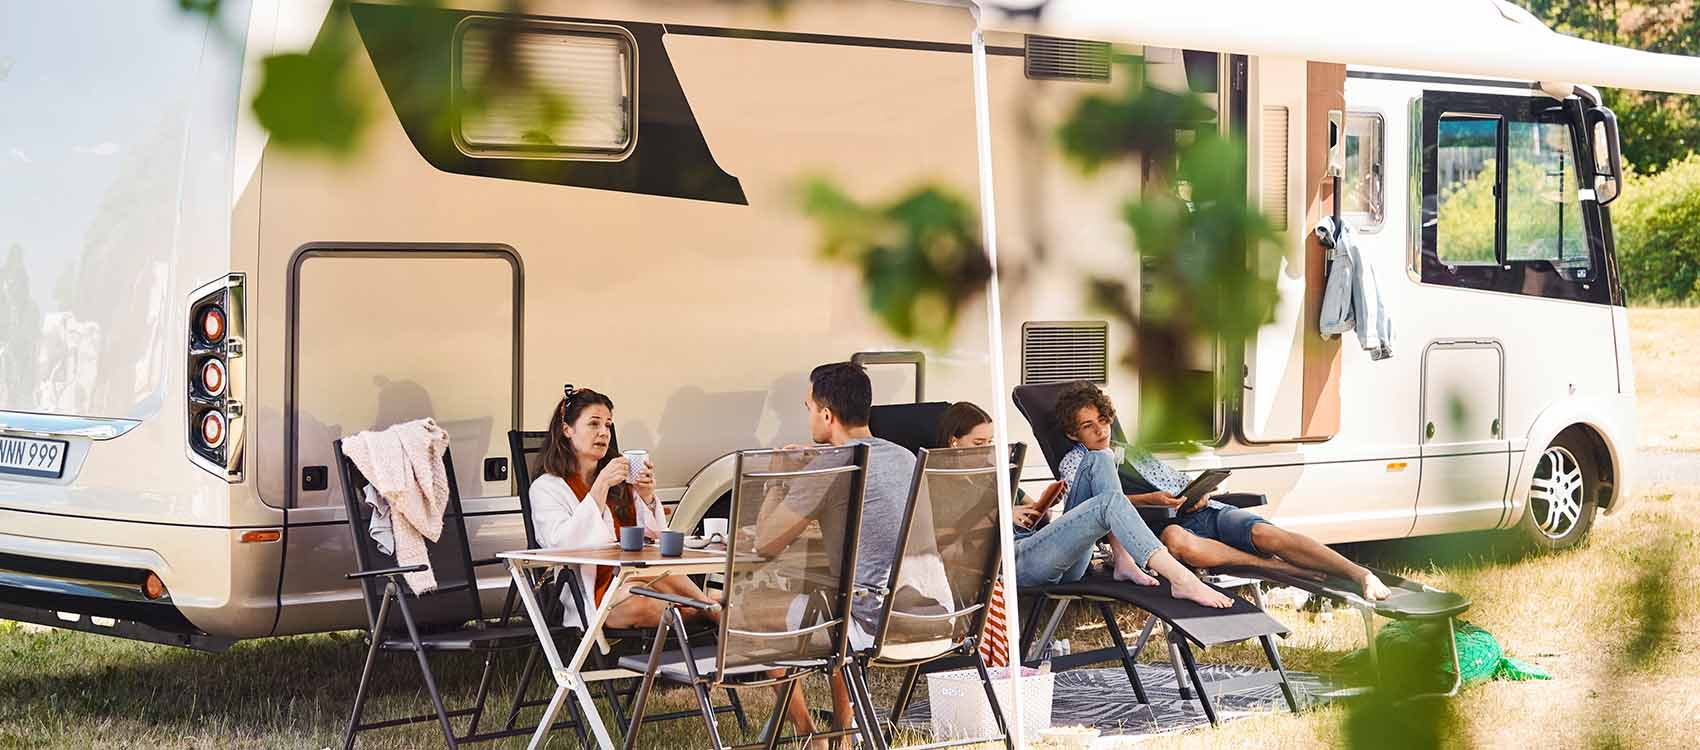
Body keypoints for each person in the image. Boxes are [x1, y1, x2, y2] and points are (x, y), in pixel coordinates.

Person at [1051, 382, 1391, 601]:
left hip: (1198, 511)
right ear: (1072, 434)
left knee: (1264, 533)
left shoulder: (1132, 450)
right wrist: (1151, 502)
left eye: (1103, 421)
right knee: (1178, 540)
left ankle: (1360, 574)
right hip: (1161, 530)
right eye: (1087, 426)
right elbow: (1092, 508)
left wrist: (1196, 491)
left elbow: (1173, 479)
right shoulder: (1077, 463)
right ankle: (1278, 569)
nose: (1100, 430)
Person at [752, 362, 917, 743]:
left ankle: (809, 735)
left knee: (755, 610)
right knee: (830, 599)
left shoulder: (834, 464)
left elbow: (766, 543)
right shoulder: (904, 457)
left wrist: (780, 477)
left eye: (808, 407)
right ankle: (845, 731)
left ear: (827, 415)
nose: (808, 416)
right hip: (928, 613)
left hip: (871, 620)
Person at [936, 401, 1231, 608]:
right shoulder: (939, 481)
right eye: (979, 443)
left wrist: (1040, 508)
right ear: (953, 441)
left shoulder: (994, 475)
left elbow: (1041, 515)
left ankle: (1123, 559)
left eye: (991, 441)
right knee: (1107, 504)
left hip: (1045, 553)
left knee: (1100, 457)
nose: (988, 449)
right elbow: (941, 545)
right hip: (1014, 564)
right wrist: (999, 515)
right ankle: (1181, 579)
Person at [528, 386, 719, 629]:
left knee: (651, 574)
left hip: (635, 580)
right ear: (567, 429)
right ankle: (711, 612)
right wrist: (600, 486)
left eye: (608, 425)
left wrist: (646, 496)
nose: (603, 433)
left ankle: (709, 611)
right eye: (594, 424)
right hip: (590, 592)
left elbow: (653, 540)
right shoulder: (547, 488)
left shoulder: (620, 482)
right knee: (643, 604)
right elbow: (560, 544)